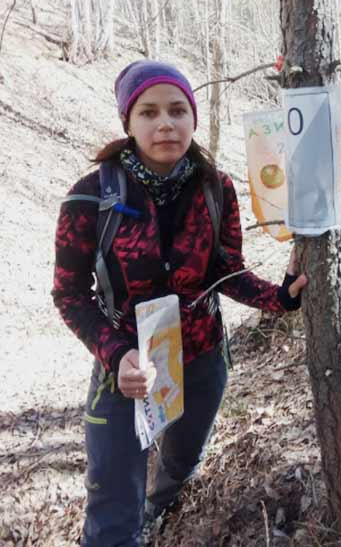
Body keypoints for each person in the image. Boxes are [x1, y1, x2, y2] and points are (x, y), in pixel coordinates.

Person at [52, 59, 307, 547]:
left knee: (181, 463)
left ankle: (158, 509)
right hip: (126, 372)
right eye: (148, 112)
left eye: (176, 110)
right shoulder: (88, 200)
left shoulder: (216, 188)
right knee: (110, 514)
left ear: (192, 117)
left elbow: (225, 271)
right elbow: (69, 295)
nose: (164, 123)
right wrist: (115, 353)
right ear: (128, 122)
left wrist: (280, 297)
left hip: (202, 358)